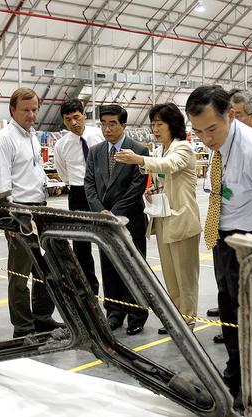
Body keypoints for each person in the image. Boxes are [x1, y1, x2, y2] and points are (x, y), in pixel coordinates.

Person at [186, 85, 252, 411]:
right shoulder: (220, 145)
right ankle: (235, 371)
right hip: (225, 236)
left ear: (230, 115)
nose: (206, 138)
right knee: (229, 309)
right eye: (198, 131)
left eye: (211, 129)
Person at [114, 103, 201, 334]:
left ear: (173, 124)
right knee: (171, 276)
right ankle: (175, 319)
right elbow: (165, 176)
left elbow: (169, 166)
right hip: (163, 220)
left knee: (186, 278)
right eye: (152, 124)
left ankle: (188, 322)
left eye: (159, 124)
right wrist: (153, 190)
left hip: (181, 221)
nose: (155, 128)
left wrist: (139, 160)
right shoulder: (163, 149)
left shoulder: (183, 148)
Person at [0, 87, 57, 338]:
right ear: (12, 110)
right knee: (20, 275)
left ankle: (42, 318)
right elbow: (0, 185)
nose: (32, 115)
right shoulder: (4, 139)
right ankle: (23, 327)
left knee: (45, 270)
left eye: (34, 109)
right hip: (19, 213)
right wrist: (9, 218)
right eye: (26, 110)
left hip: (40, 210)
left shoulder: (30, 136)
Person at [84, 104, 149, 336]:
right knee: (109, 266)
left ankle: (137, 314)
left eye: (112, 124)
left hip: (130, 219)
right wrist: (100, 210)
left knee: (134, 266)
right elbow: (89, 184)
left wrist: (114, 213)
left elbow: (136, 187)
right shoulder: (96, 151)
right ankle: (114, 312)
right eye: (103, 124)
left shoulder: (139, 150)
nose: (107, 129)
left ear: (124, 125)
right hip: (104, 220)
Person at [54, 99, 104, 295]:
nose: (73, 123)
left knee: (107, 242)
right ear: (64, 122)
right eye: (68, 119)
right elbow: (63, 173)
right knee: (81, 246)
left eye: (76, 117)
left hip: (101, 192)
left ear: (84, 115)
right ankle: (89, 290)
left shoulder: (99, 136)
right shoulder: (61, 145)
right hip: (77, 193)